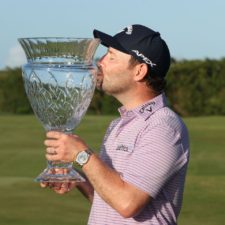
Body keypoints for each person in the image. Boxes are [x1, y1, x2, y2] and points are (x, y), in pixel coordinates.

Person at [42, 24, 190, 225]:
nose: (100, 62)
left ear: (139, 71)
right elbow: (110, 199)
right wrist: (79, 180)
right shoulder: (118, 125)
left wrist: (82, 154)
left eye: (111, 56)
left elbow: (128, 203)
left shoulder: (163, 127)